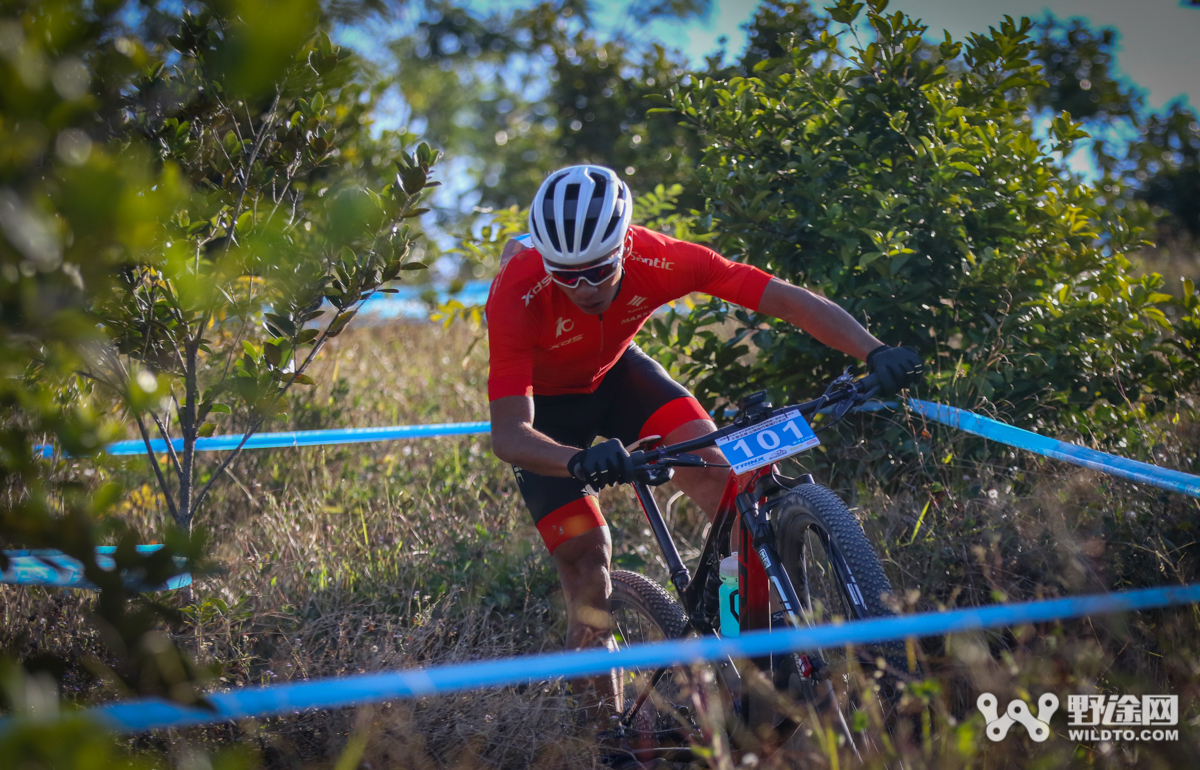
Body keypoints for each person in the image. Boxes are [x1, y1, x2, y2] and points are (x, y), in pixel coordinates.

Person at [485, 164, 922, 720]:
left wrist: (872, 350)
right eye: (566, 275)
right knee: (586, 561)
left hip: (619, 379)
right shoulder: (519, 290)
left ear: (624, 245)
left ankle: (748, 662)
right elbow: (509, 435)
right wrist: (576, 460)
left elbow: (782, 298)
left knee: (727, 489)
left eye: (597, 270)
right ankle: (608, 736)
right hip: (547, 418)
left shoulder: (660, 257)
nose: (585, 288)